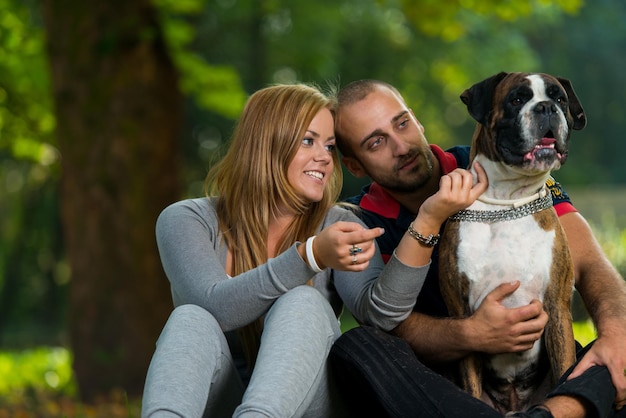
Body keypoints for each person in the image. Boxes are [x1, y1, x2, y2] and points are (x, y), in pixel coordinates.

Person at [140, 83, 487, 417]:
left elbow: (381, 316)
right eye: (309, 141)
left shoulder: (337, 222)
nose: (324, 158)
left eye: (330, 146)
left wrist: (427, 219)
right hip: (224, 401)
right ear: (266, 144)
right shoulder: (187, 219)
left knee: (304, 302)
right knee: (191, 317)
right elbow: (216, 306)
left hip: (314, 406)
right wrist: (308, 257)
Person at [329, 79, 626, 418]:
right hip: (446, 390)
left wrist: (616, 336)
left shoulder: (503, 166)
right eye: (376, 142)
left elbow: (590, 263)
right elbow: (387, 324)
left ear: (416, 120)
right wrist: (471, 334)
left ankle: (555, 410)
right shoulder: (356, 222)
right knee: (357, 347)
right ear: (354, 165)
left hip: (544, 375)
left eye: (402, 123)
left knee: (611, 357)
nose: (401, 146)